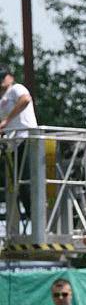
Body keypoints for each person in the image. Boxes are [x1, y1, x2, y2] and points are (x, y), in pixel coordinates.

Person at [0, 66, 38, 219]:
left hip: (26, 138)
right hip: (12, 144)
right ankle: (31, 216)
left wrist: (7, 121)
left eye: (3, 76)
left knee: (27, 182)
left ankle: (36, 217)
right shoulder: (1, 99)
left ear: (10, 76)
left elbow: (25, 99)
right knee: (19, 185)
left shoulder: (16, 89)